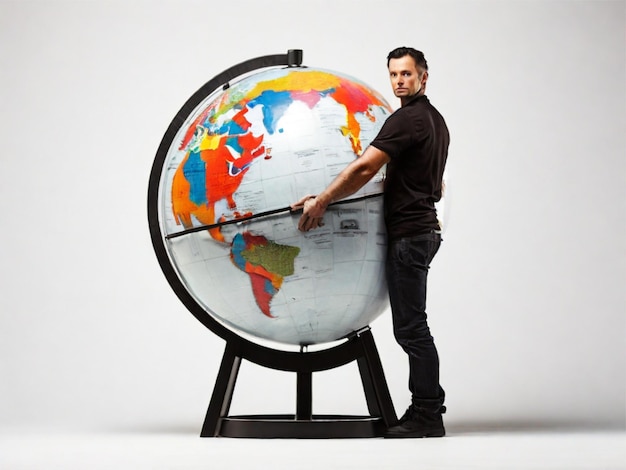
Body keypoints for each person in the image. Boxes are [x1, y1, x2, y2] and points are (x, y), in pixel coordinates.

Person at [291, 47, 449, 438]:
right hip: (424, 231)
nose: (399, 81)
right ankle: (428, 408)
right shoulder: (435, 121)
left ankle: (428, 414)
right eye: (394, 74)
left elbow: (365, 166)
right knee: (413, 328)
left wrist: (323, 200)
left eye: (407, 74)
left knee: (412, 330)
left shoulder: (406, 119)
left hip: (411, 236)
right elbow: (434, 184)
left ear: (423, 77)